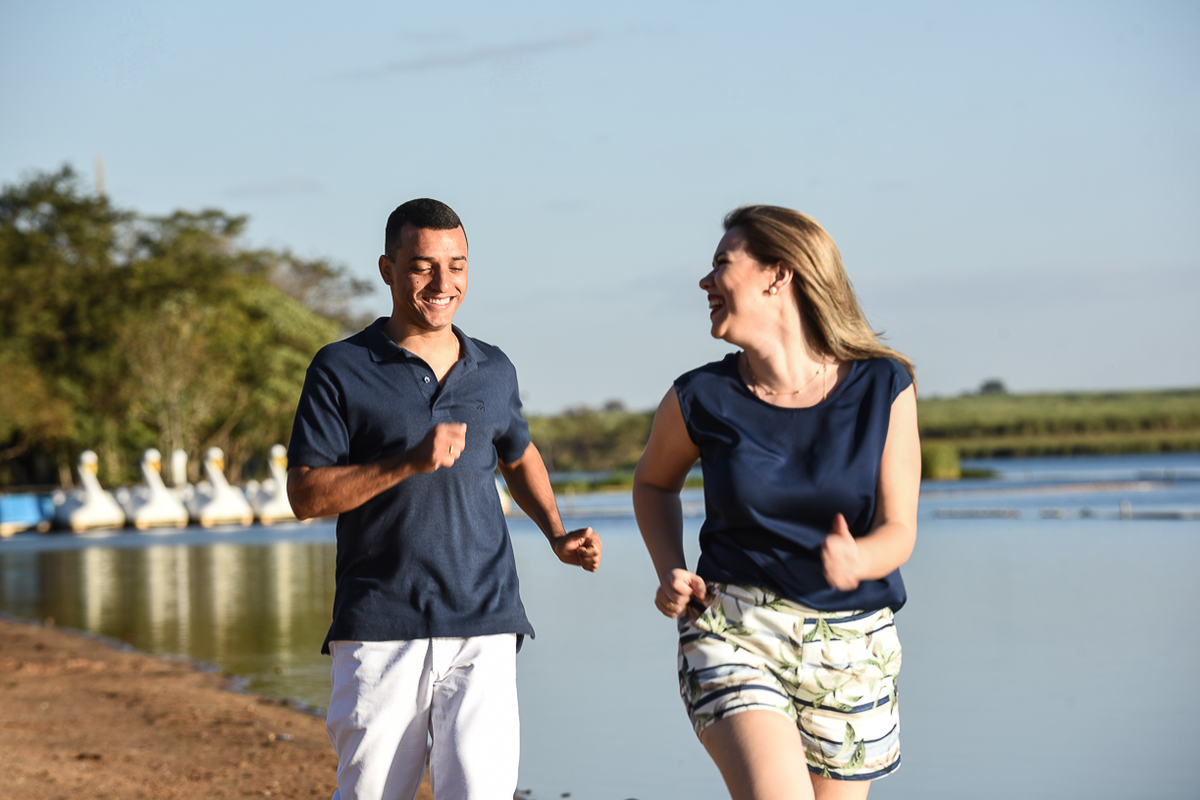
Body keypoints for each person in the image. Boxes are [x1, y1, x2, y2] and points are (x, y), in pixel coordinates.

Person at [286, 198, 602, 800]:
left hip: (486, 618)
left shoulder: (493, 368)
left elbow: (518, 454)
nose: (442, 283)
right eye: (422, 266)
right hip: (381, 625)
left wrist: (558, 534)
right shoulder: (340, 367)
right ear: (388, 269)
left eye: (456, 266)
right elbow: (305, 494)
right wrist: (407, 462)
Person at [632, 205, 919, 800]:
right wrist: (670, 569)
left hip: (852, 646)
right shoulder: (700, 396)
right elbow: (653, 484)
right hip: (735, 630)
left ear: (778, 274)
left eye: (722, 263)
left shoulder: (883, 385)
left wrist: (859, 560)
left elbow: (899, 530)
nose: (705, 281)